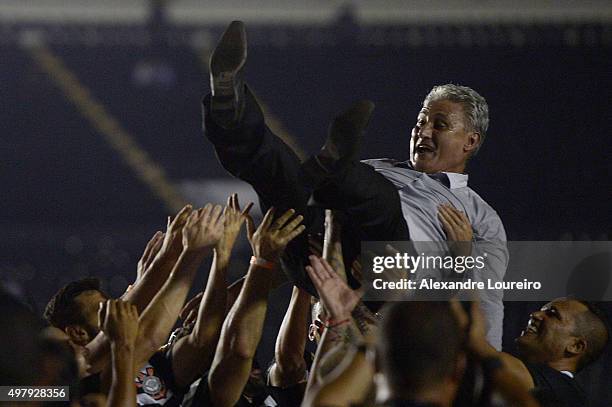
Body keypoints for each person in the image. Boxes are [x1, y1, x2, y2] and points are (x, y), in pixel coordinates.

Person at [202, 21, 508, 349]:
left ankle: (330, 171)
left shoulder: (480, 216)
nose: (424, 132)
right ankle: (229, 110)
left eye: (440, 125)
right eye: (420, 122)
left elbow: (487, 300)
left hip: (388, 282)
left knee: (381, 204)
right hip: (317, 253)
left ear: (470, 142)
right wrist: (234, 288)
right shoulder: (377, 168)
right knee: (281, 177)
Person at [457, 297, 609, 407]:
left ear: (575, 346)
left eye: (552, 314)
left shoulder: (566, 394)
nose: (535, 314)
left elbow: (494, 359)